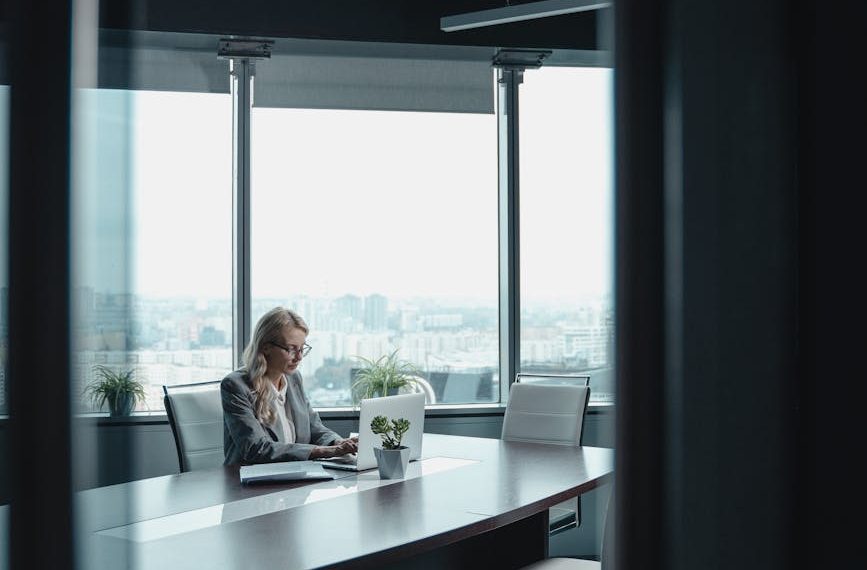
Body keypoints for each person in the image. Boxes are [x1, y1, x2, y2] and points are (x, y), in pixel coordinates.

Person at [222, 306, 358, 465]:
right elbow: (256, 448)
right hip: (251, 483)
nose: (299, 357)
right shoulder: (235, 385)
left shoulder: (293, 379)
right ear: (266, 347)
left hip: (295, 475)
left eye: (302, 349)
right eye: (291, 349)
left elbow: (315, 428)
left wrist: (340, 443)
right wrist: (325, 451)